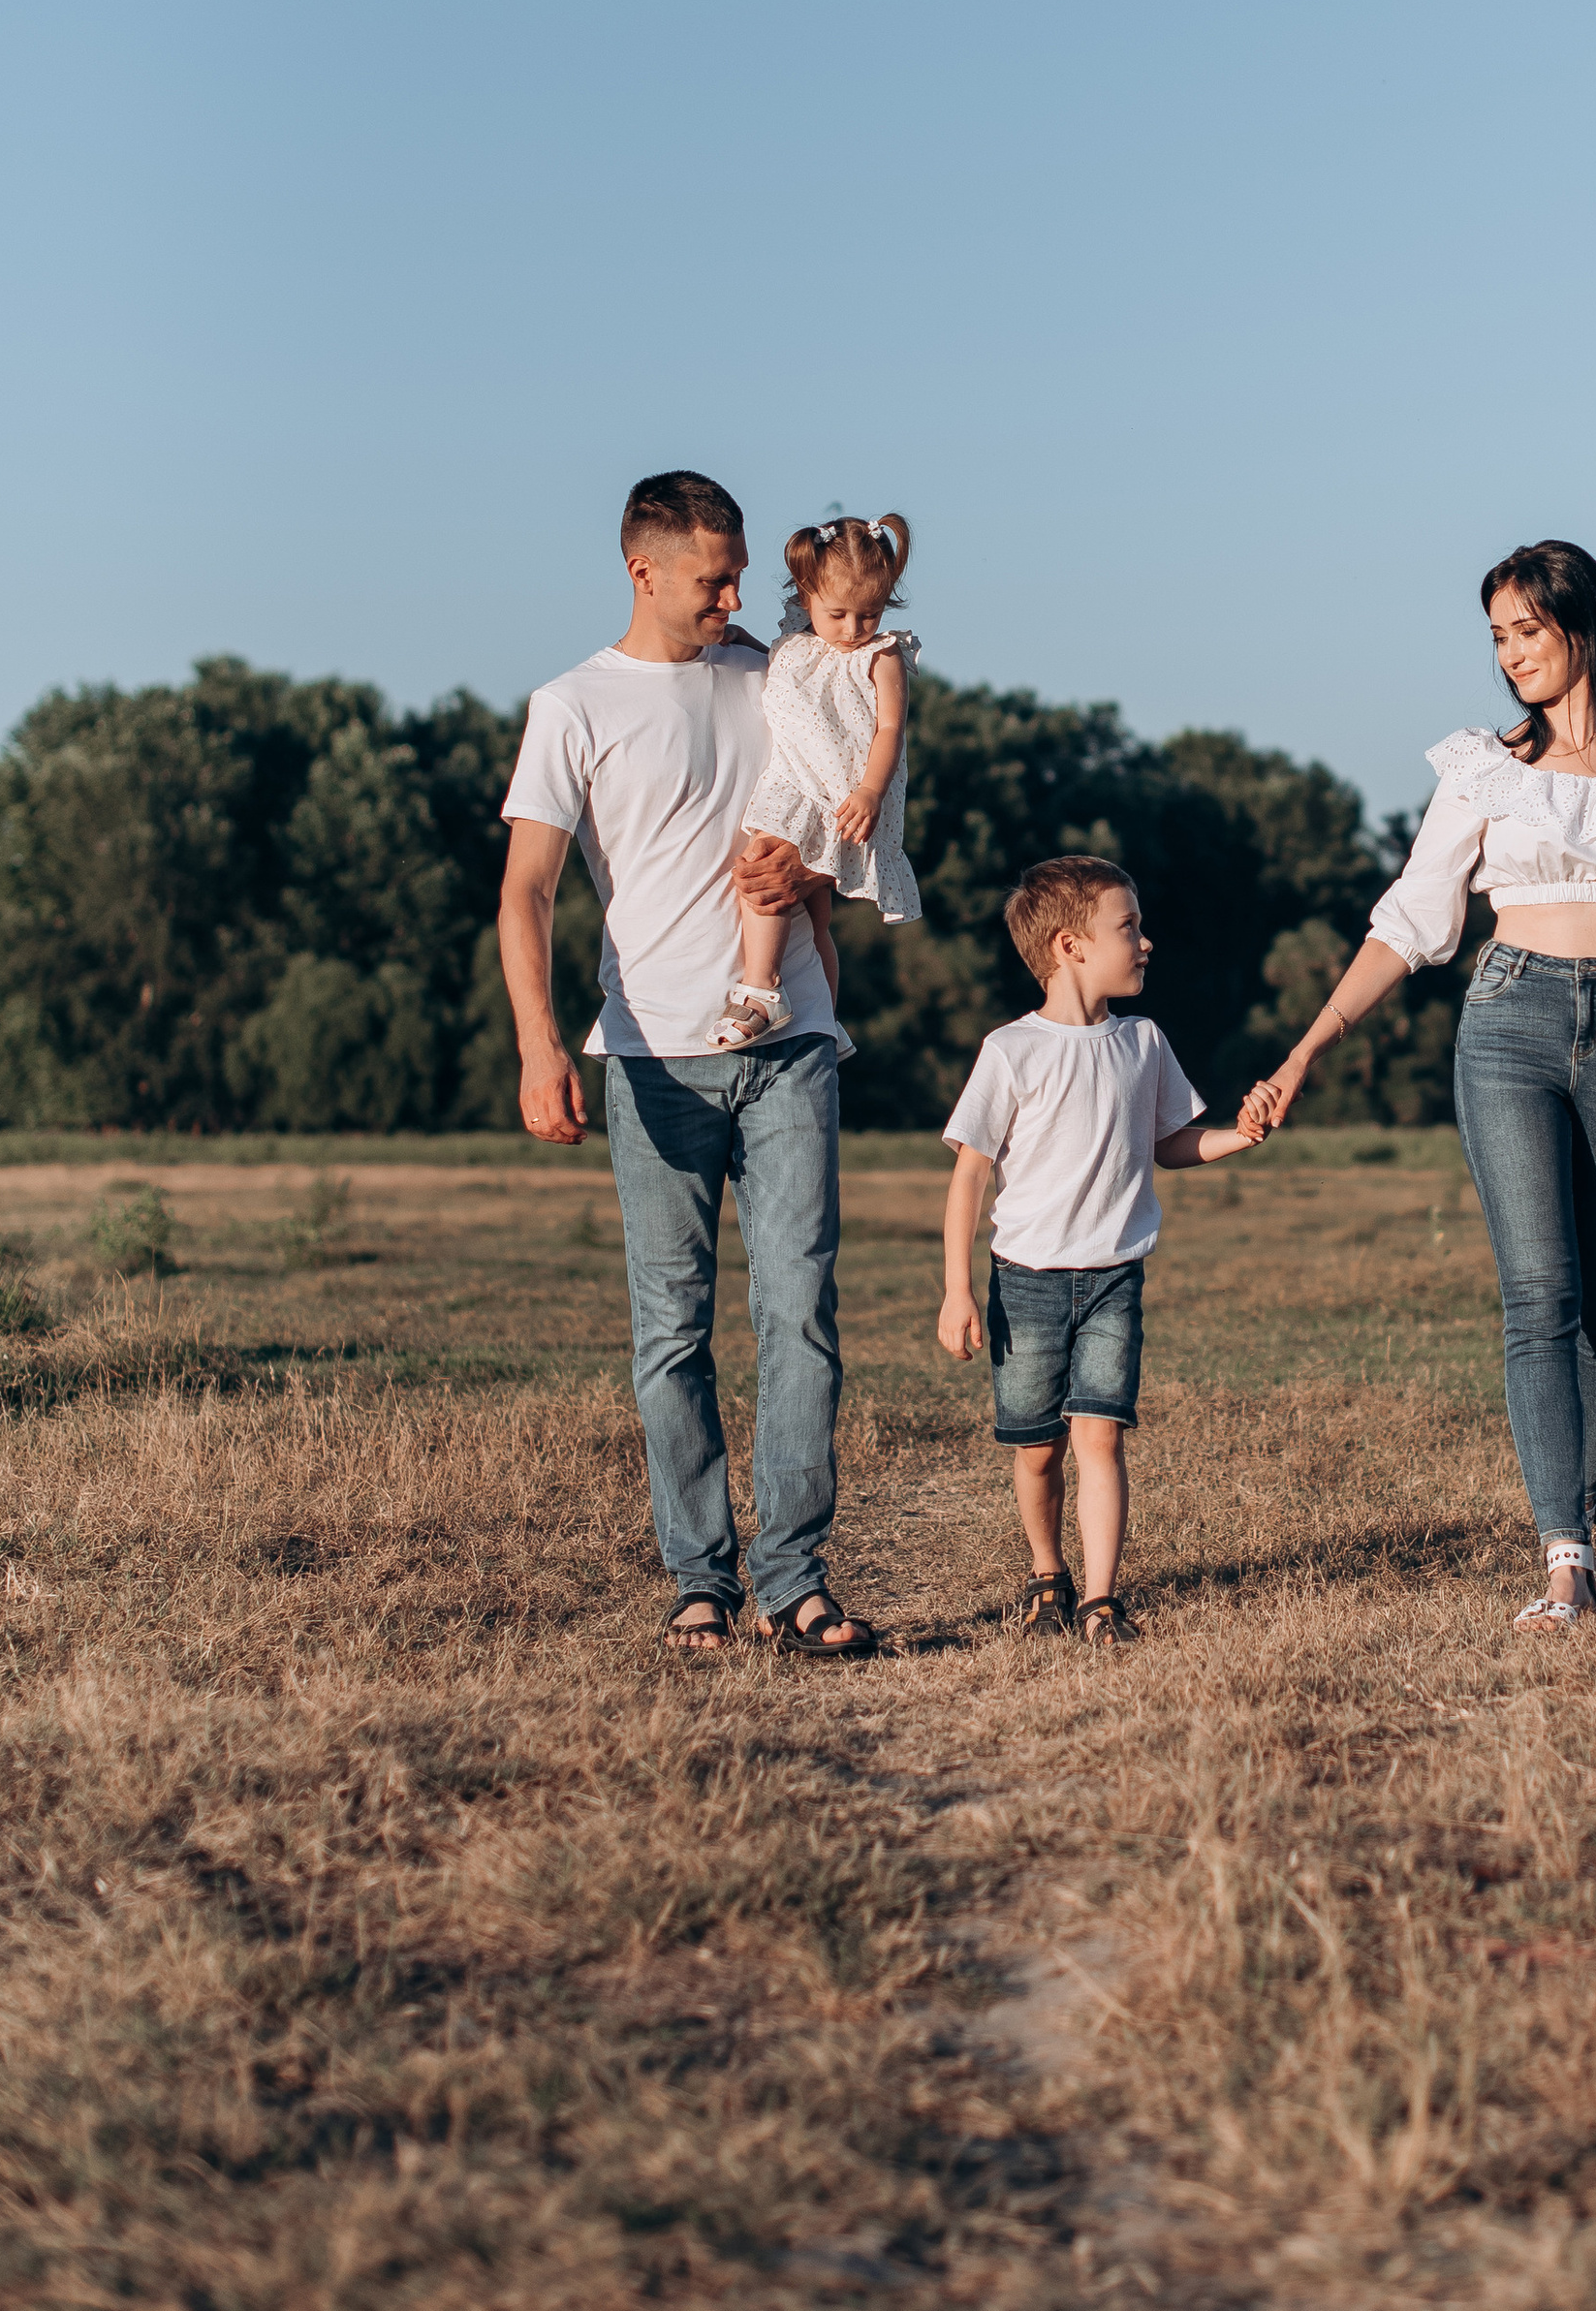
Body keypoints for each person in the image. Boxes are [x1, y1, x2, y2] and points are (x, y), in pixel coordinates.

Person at [1246, 539, 1596, 1634]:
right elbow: (1411, 920)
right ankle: (1563, 1560)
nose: (1511, 655)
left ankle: (1580, 1524)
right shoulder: (1485, 768)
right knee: (1540, 1297)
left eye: (1527, 630)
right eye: (1497, 638)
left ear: (1583, 627)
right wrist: (1304, 1052)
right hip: (1509, 1018)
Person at [497, 469, 875, 1661]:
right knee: (671, 1328)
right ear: (641, 570)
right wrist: (539, 1042)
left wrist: (807, 881)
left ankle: (795, 1578)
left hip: (790, 1035)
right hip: (652, 1054)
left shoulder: (778, 672)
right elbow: (525, 893)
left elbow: (839, 831)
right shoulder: (572, 706)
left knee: (800, 1312)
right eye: (712, 578)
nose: (733, 596)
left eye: (738, 573)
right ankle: (698, 1580)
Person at [937, 859, 1267, 1647]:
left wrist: (1238, 1137)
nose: (1146, 942)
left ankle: (1100, 1599)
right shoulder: (1011, 1050)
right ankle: (1048, 1575)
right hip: (1026, 1284)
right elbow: (969, 1177)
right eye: (1129, 928)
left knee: (1101, 1438)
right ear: (1070, 945)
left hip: (1115, 1278)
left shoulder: (1144, 1043)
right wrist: (957, 1291)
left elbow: (1172, 1144)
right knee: (1038, 1452)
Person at [714, 511, 922, 1048]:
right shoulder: (796, 642)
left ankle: (764, 988)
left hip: (841, 791)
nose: (854, 630)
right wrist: (752, 643)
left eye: (869, 614)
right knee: (807, 910)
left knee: (775, 878)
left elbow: (891, 728)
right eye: (839, 614)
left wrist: (871, 791)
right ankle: (820, 1018)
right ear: (805, 596)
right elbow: (795, 667)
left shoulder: (883, 655)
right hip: (795, 774)